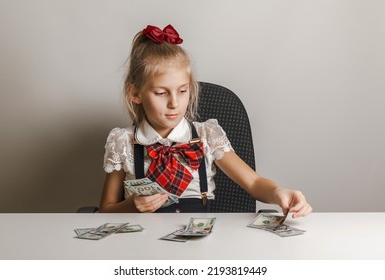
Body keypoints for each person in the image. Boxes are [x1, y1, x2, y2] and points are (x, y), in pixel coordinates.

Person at [99, 24, 312, 217]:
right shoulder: (123, 142)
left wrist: (279, 193)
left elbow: (254, 182)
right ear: (135, 94)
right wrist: (131, 206)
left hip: (200, 246)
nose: (175, 103)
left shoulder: (206, 136)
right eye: (161, 93)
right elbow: (105, 210)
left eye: (182, 91)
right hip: (142, 246)